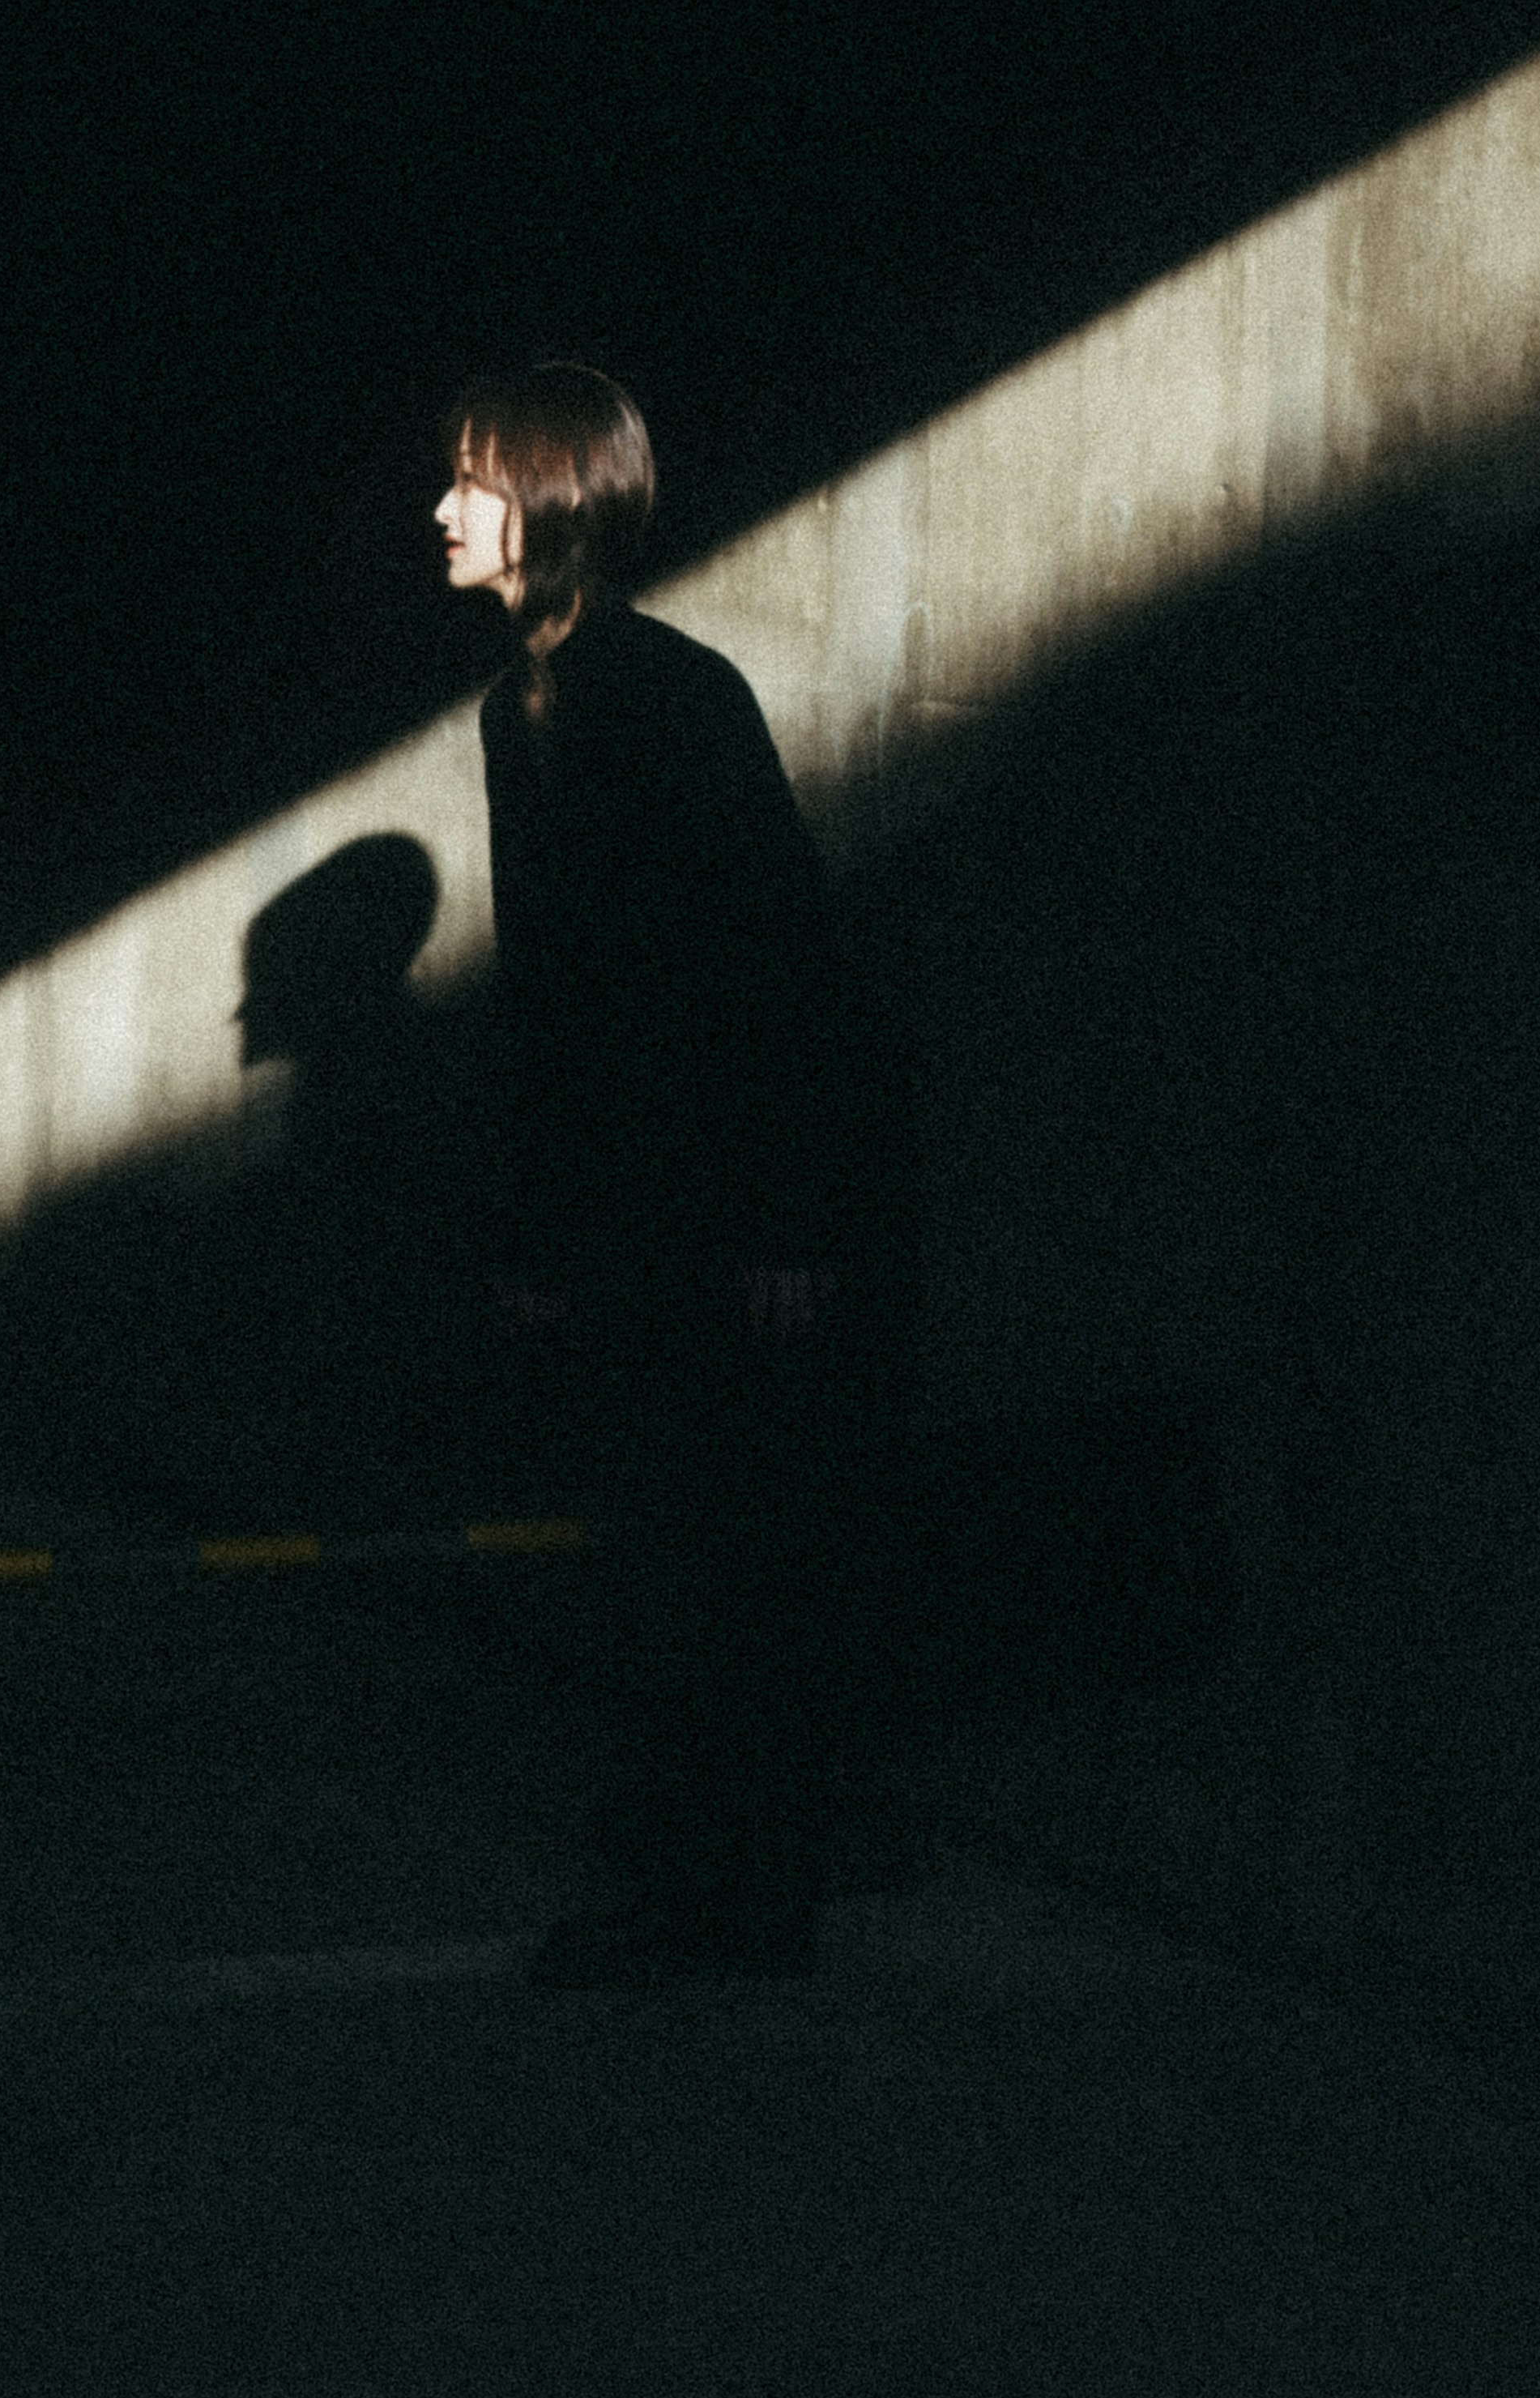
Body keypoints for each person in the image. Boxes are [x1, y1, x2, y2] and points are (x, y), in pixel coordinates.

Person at [438, 361, 889, 1989]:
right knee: (652, 1558)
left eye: (475, 481)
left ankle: (741, 1902)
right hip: (627, 1212)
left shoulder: (674, 694)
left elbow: (783, 958)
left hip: (723, 1206)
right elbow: (555, 1000)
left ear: (556, 499)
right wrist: (541, 1231)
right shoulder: (518, 713)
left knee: (730, 1565)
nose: (444, 509)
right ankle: (683, 1891)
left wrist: (790, 1213)